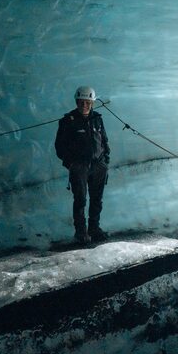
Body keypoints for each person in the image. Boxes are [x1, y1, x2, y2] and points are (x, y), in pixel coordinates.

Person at [54, 85, 110, 244]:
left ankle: (94, 229)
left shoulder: (97, 119)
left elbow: (104, 140)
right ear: (76, 101)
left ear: (92, 102)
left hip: (98, 165)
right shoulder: (67, 121)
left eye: (87, 102)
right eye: (81, 102)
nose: (84, 105)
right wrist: (71, 164)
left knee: (96, 199)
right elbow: (60, 146)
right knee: (80, 200)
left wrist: (105, 159)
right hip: (80, 167)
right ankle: (81, 232)